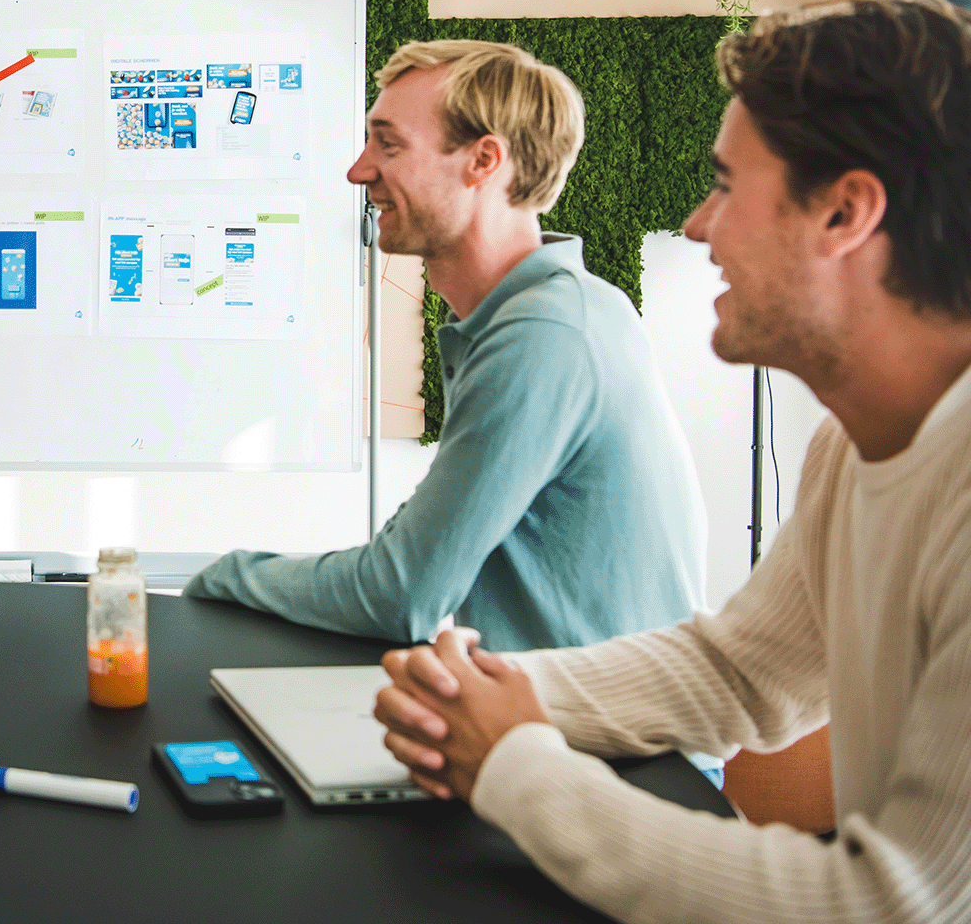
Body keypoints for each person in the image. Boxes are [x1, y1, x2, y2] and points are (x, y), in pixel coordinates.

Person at [374, 0, 971, 924]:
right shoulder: (851, 449)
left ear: (845, 213)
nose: (697, 225)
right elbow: (744, 674)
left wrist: (513, 761)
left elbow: (894, 903)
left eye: (727, 186)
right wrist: (484, 695)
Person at [184, 40, 707, 652]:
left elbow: (400, 593)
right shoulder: (564, 310)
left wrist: (225, 576)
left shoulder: (544, 334)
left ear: (483, 161)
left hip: (591, 715)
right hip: (559, 701)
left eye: (388, 145)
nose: (359, 171)